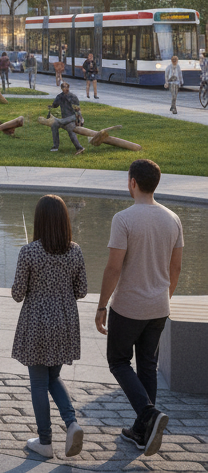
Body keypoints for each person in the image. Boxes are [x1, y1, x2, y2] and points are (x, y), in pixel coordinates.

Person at [95, 159, 183, 457]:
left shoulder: (124, 219)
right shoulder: (173, 218)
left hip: (128, 307)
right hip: (159, 306)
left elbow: (113, 268)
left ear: (132, 182)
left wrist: (101, 305)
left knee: (118, 362)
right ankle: (142, 434)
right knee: (147, 366)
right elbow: (176, 268)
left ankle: (148, 414)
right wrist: (163, 296)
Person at [11, 194, 87, 459]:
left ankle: (45, 441)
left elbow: (18, 293)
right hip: (65, 322)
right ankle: (72, 423)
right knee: (52, 377)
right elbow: (82, 290)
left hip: (37, 323)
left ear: (39, 221)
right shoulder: (75, 250)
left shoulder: (29, 251)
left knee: (38, 383)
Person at [48, 83, 85, 155]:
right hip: (65, 118)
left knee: (70, 128)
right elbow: (55, 105)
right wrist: (51, 107)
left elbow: (77, 111)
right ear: (61, 89)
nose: (66, 89)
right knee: (54, 125)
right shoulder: (59, 96)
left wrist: (79, 121)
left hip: (73, 118)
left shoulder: (73, 97)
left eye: (67, 87)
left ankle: (79, 148)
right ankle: (55, 146)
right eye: (64, 88)